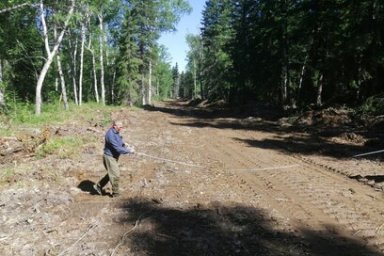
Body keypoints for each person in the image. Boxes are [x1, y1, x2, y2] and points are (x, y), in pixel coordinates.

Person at [93, 120, 135, 197]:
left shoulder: (115, 132)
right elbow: (117, 148)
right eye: (120, 127)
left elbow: (118, 141)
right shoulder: (110, 135)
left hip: (114, 157)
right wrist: (129, 151)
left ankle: (98, 186)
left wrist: (124, 144)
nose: (121, 128)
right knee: (115, 174)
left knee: (111, 173)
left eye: (122, 127)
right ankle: (116, 193)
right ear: (114, 126)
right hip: (109, 157)